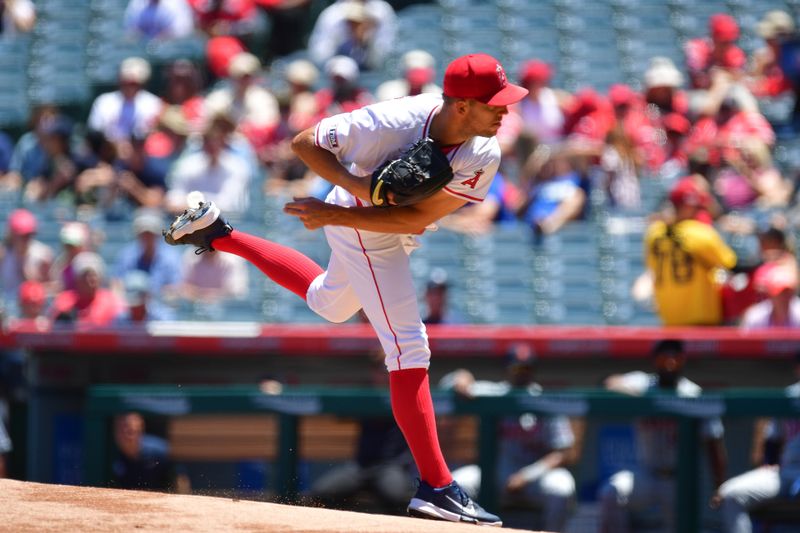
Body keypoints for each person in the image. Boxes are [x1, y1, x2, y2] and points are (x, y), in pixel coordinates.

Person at [162, 52, 530, 526]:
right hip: (358, 219)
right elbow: (303, 142)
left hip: (375, 222)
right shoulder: (394, 121)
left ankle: (218, 234)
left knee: (328, 303)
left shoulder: (484, 151)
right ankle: (437, 486)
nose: (505, 110)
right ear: (461, 105)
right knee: (409, 347)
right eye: (494, 102)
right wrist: (356, 190)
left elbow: (416, 217)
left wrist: (343, 213)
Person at [443, 344, 577, 532]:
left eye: (526, 368)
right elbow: (450, 382)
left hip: (535, 475)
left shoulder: (545, 400)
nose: (521, 373)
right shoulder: (495, 393)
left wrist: (527, 475)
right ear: (507, 369)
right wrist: (462, 377)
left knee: (562, 487)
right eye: (516, 367)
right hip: (497, 472)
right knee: (459, 484)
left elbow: (563, 452)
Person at [598, 339, 728, 533]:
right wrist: (638, 396)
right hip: (646, 474)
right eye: (664, 357)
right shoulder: (644, 383)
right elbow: (609, 382)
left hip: (679, 478)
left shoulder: (693, 394)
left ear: (683, 360)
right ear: (654, 360)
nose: (669, 362)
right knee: (611, 494)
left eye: (674, 357)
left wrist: (719, 485)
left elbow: (713, 443)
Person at [307, 349, 415, 515]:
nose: (384, 374)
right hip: (360, 466)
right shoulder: (364, 392)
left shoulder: (410, 393)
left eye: (388, 369)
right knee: (321, 494)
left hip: (392, 466)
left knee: (396, 498)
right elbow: (336, 410)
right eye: (380, 369)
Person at [713, 351, 800, 533]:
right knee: (731, 495)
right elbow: (773, 438)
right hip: (787, 471)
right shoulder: (788, 395)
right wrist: (768, 462)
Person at [645, 177, 737, 325]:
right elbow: (732, 264)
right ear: (688, 207)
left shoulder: (654, 233)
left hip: (670, 323)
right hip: (701, 322)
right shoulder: (700, 233)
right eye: (698, 207)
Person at [87, 57, 162, 147]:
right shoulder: (104, 101)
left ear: (143, 83)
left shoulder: (154, 104)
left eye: (134, 83)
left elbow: (154, 137)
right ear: (120, 80)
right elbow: (95, 134)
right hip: (109, 153)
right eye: (126, 82)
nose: (129, 87)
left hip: (142, 155)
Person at [111, 412, 189, 492]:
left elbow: (181, 479)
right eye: (121, 431)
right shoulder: (107, 454)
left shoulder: (159, 452)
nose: (126, 437)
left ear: (140, 431)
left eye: (130, 432)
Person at [50, 252, 125, 327]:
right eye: (85, 275)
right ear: (77, 279)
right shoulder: (64, 300)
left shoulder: (111, 301)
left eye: (93, 275)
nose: (89, 280)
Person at [740, 263, 800, 328]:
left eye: (788, 292)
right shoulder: (755, 317)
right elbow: (745, 336)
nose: (784, 297)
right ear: (770, 294)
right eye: (780, 293)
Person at [123, 0, 194, 42]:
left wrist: (159, 40)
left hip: (170, 48)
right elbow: (131, 32)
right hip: (144, 47)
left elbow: (182, 33)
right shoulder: (137, 3)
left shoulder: (175, 3)